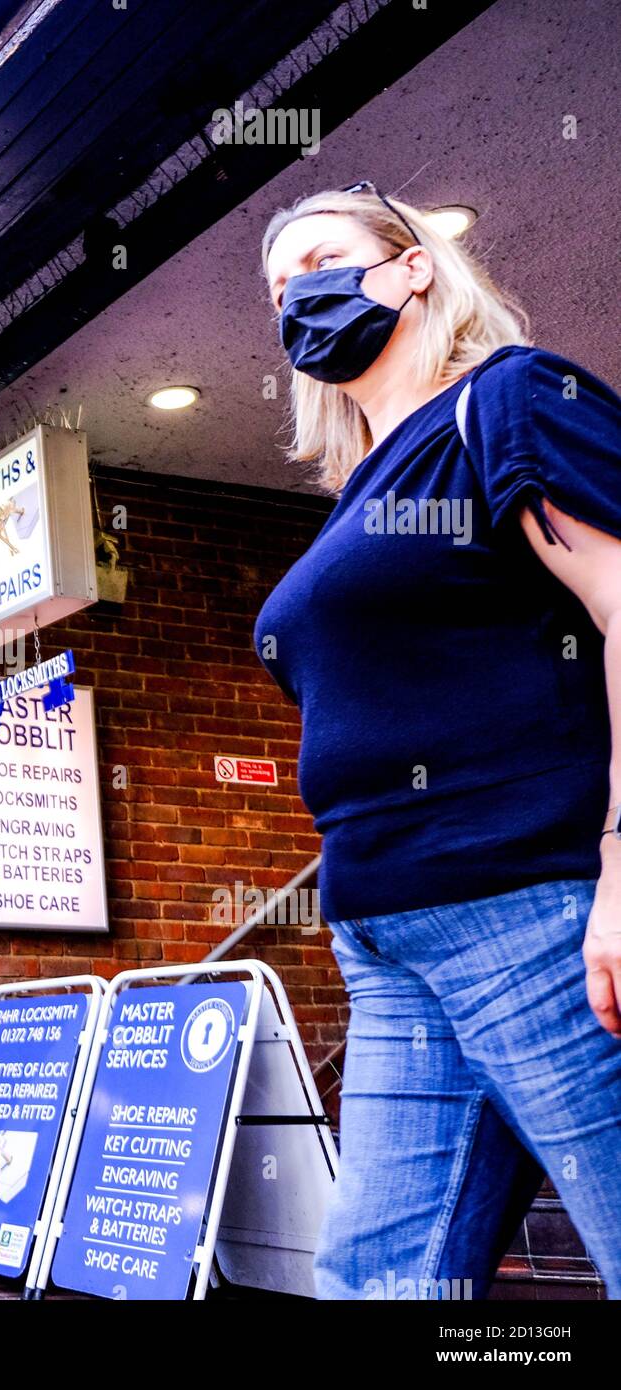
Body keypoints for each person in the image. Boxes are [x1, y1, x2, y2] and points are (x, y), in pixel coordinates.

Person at [255, 182, 621, 1299]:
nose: (296, 295)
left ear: (413, 266)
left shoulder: (511, 399)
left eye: (320, 258)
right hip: (383, 941)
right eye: (277, 289)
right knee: (377, 1277)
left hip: (533, 904)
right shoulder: (356, 491)